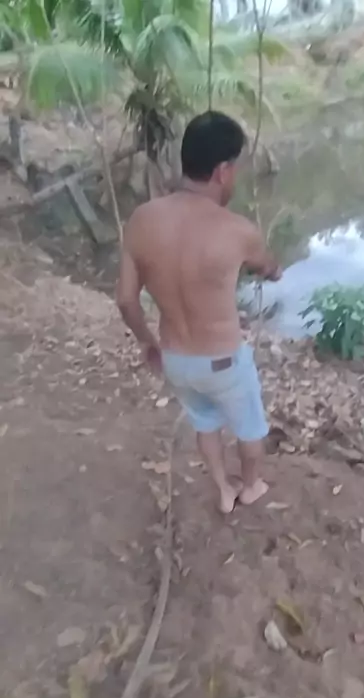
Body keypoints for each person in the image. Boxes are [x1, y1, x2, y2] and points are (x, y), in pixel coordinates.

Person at [117, 110, 282, 513]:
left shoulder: (142, 219)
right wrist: (272, 269)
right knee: (248, 428)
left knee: (205, 422)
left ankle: (223, 489)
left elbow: (125, 299)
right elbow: (267, 266)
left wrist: (148, 342)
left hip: (176, 359)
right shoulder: (237, 229)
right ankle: (251, 486)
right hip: (224, 361)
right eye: (236, 168)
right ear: (223, 171)